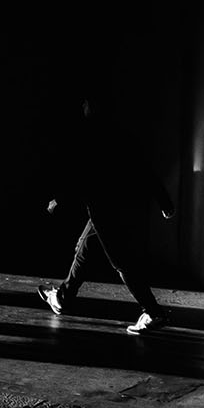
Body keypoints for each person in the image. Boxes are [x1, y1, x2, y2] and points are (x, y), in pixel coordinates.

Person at [36, 92, 176, 334]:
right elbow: (144, 168)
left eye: (87, 102)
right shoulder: (122, 133)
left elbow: (83, 177)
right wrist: (164, 201)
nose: (83, 106)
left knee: (122, 263)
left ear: (93, 106)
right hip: (120, 208)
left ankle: (153, 312)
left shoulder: (91, 136)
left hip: (106, 211)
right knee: (85, 247)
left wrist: (60, 200)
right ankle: (62, 298)